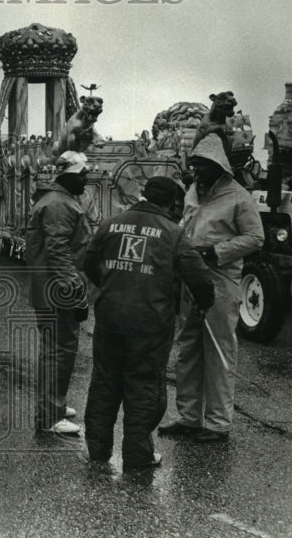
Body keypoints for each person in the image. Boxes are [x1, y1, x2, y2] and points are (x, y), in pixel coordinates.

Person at [82, 176, 215, 469]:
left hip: (109, 318)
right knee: (143, 387)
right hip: (149, 324)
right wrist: (204, 303)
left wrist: (110, 285)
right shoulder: (173, 233)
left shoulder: (110, 224)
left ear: (145, 195)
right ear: (171, 203)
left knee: (104, 383)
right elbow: (199, 277)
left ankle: (97, 451)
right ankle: (138, 456)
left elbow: (89, 260)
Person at [159, 134, 264, 443]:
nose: (196, 172)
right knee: (188, 349)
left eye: (202, 166)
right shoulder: (194, 191)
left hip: (220, 281)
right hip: (191, 280)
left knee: (218, 351)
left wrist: (216, 252)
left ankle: (218, 423)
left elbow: (256, 238)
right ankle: (189, 417)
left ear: (218, 166)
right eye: (194, 165)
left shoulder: (238, 197)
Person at [26, 150, 92, 435]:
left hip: (50, 288)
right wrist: (76, 293)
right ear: (68, 175)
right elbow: (59, 253)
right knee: (59, 351)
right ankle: (50, 415)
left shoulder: (57, 200)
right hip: (58, 291)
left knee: (56, 350)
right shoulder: (59, 205)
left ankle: (53, 404)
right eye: (83, 174)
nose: (86, 179)